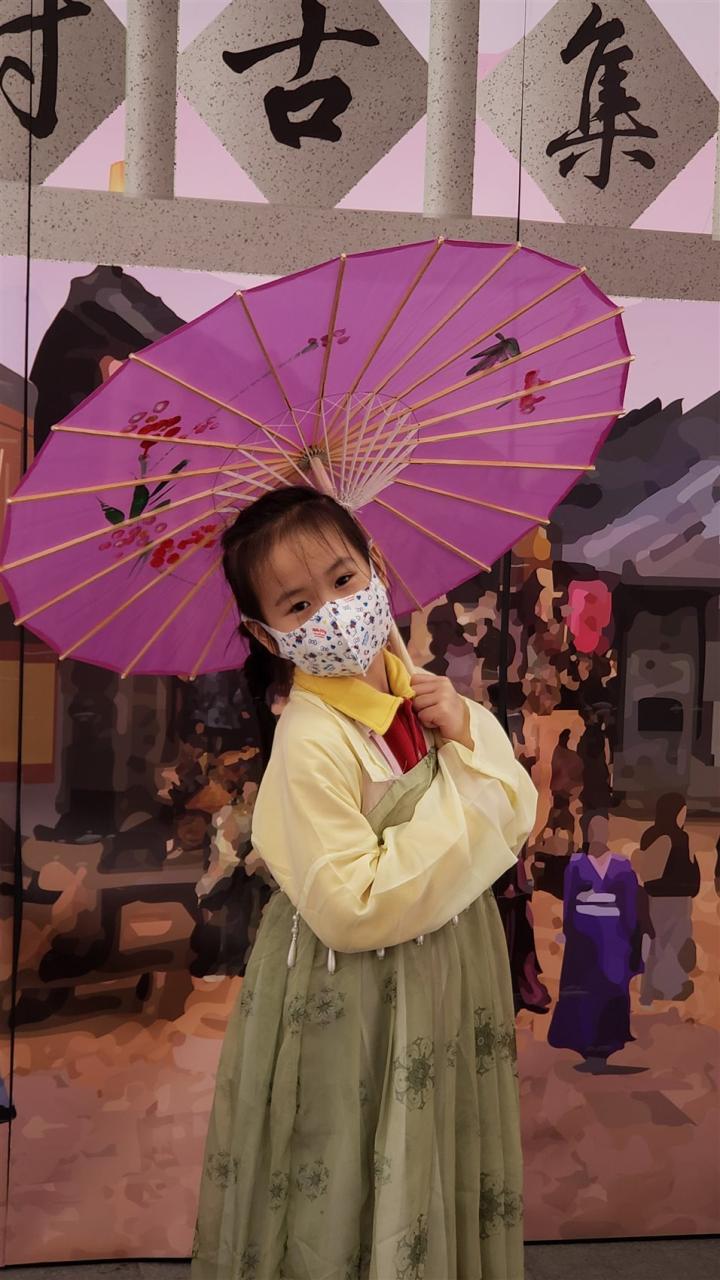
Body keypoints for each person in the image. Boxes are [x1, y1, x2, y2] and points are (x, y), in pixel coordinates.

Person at [191, 487, 537, 1280]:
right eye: (298, 604)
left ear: (377, 566)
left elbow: (517, 805)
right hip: (356, 990)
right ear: (266, 632)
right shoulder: (308, 740)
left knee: (437, 1145)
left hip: (446, 966)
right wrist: (466, 788)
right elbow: (356, 905)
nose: (333, 611)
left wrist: (464, 726)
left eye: (345, 580)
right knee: (353, 1164)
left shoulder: (420, 693)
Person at [548, 815, 643, 1073]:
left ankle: (608, 1041)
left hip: (614, 940)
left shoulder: (622, 865)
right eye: (594, 829)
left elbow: (629, 906)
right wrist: (570, 933)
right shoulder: (576, 865)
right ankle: (586, 1043)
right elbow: (569, 904)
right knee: (585, 991)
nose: (598, 834)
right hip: (583, 941)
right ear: (588, 833)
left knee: (611, 987)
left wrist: (628, 937)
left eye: (602, 829)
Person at [634, 794, 700, 1004]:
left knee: (654, 943)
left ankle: (649, 990)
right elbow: (688, 868)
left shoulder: (649, 835)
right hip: (677, 900)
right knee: (675, 944)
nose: (684, 816)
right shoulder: (681, 837)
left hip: (653, 898)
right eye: (683, 811)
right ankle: (671, 988)